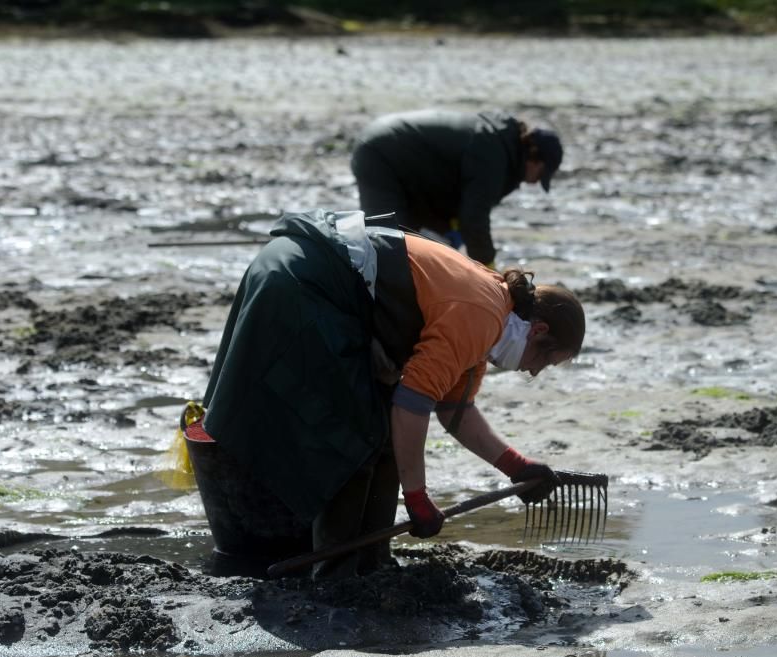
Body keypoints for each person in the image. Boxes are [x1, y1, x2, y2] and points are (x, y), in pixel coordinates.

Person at [186, 208, 584, 579]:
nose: (532, 371)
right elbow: (413, 402)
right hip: (302, 280)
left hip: (319, 281)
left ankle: (370, 562)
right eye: (543, 363)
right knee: (352, 436)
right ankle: (334, 577)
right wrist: (417, 497)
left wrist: (516, 466)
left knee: (380, 435)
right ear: (538, 331)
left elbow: (454, 411)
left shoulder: (490, 324)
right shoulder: (481, 313)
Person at [349, 109, 564, 267]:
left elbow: (453, 196)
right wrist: (489, 271)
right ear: (534, 157)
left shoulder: (501, 143)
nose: (535, 182)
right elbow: (474, 220)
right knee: (388, 246)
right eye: (540, 174)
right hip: (382, 154)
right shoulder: (493, 155)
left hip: (406, 166)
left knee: (413, 249)